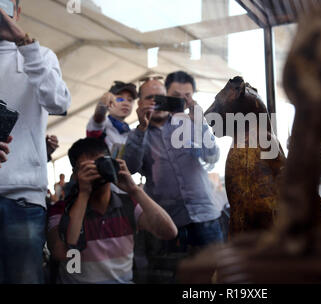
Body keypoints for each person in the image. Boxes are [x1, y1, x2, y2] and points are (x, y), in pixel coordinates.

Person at [0, 0, 71, 284]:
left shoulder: (39, 55)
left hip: (22, 195)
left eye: (3, 5)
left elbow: (59, 102)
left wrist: (22, 42)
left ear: (17, 12)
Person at [47, 138, 177, 284]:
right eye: (87, 168)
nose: (96, 172)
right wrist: (83, 194)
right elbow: (62, 252)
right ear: (75, 174)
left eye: (100, 164)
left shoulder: (128, 205)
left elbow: (169, 232)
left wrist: (134, 190)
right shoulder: (61, 209)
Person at [123, 71, 224, 254]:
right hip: (169, 223)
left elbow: (212, 155)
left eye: (160, 97)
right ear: (140, 104)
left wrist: (200, 123)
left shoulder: (189, 123)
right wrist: (141, 129)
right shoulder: (135, 135)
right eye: (150, 98)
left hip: (205, 217)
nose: (156, 102)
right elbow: (130, 168)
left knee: (217, 274)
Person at [86, 81, 137, 156]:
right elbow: (98, 118)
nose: (126, 103)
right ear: (109, 102)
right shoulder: (103, 125)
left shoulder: (130, 133)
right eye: (120, 99)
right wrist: (102, 104)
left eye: (130, 100)